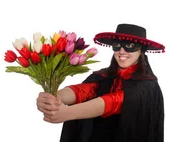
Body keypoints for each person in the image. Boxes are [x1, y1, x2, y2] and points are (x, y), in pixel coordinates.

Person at [35, 23, 166, 142]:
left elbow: (114, 101)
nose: (121, 51)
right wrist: (54, 97)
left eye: (130, 46)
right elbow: (85, 90)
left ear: (141, 51)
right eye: (117, 45)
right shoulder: (104, 75)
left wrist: (68, 113)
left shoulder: (147, 86)